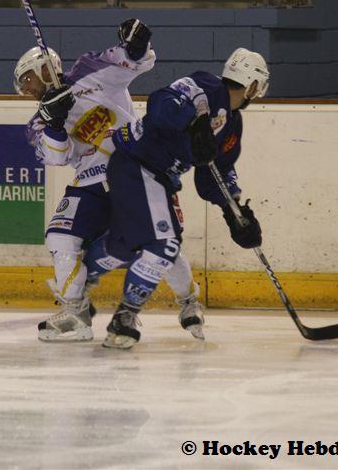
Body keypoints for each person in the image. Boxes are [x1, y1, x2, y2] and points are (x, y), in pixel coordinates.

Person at [15, 19, 205, 343]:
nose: (27, 90)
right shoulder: (37, 122)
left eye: (27, 80)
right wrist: (55, 121)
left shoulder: (89, 70)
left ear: (45, 69)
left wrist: (135, 45)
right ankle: (76, 313)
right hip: (90, 180)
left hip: (135, 168)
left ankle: (189, 301)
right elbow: (56, 157)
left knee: (160, 242)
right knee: (60, 238)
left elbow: (132, 61)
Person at [82, 47, 270, 349]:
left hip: (158, 177)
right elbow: (161, 102)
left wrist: (233, 211)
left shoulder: (232, 125)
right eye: (258, 87)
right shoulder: (207, 86)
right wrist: (193, 123)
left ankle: (82, 275)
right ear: (252, 84)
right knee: (164, 245)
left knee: (126, 244)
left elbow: (216, 173)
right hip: (135, 164)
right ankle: (124, 318)